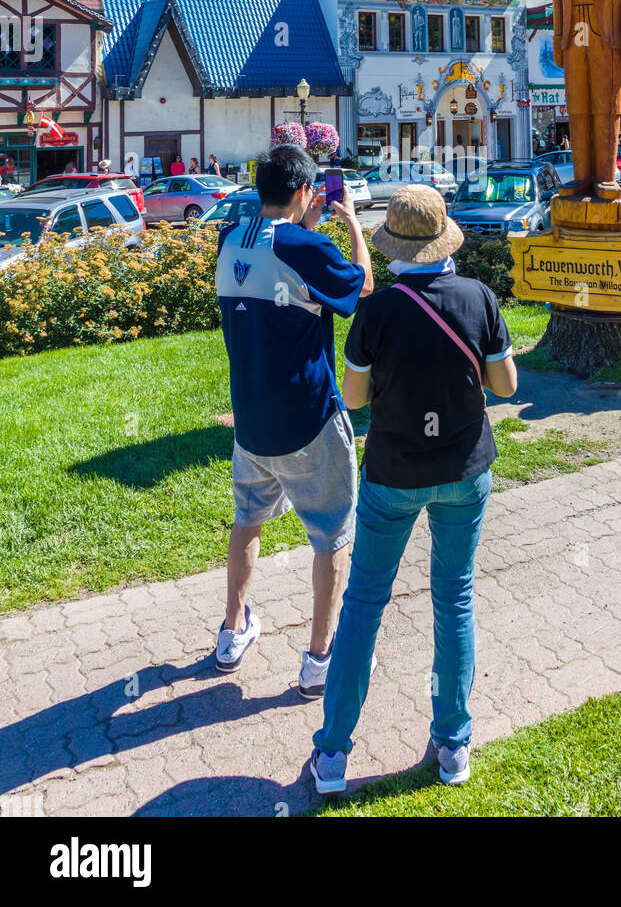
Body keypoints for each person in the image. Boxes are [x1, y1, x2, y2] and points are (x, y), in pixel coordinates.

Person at [309, 184, 517, 795]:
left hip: (393, 473)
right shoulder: (478, 298)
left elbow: (352, 397)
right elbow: (504, 384)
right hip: (464, 468)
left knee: (365, 603)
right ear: (442, 238)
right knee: (453, 598)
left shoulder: (376, 311)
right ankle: (453, 743)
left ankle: (333, 756)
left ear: (394, 245)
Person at [214, 143, 374, 689]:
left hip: (251, 422)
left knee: (248, 520)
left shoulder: (228, 237)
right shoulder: (306, 246)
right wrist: (350, 222)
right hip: (308, 420)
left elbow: (270, 246)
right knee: (331, 535)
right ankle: (320, 659)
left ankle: (233, 630)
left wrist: (299, 221)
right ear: (306, 192)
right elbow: (361, 287)